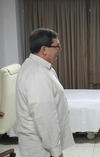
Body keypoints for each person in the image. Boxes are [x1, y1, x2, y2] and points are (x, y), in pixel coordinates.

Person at [16, 28, 74, 157]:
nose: (59, 50)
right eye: (57, 46)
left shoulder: (40, 67)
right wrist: (56, 150)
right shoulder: (37, 74)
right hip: (39, 147)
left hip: (42, 143)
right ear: (44, 49)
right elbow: (45, 116)